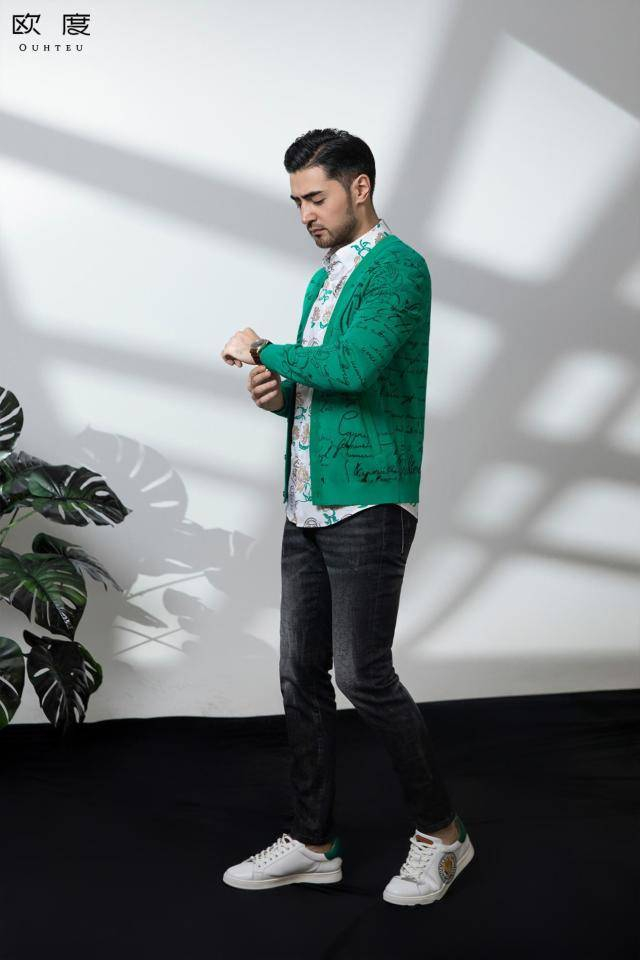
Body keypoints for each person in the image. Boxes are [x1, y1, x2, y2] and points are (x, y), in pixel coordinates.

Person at [219, 128, 475, 906]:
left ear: (359, 187)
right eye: (297, 201)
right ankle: (313, 841)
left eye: (316, 196)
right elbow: (327, 391)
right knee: (300, 674)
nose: (305, 213)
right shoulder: (323, 279)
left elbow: (357, 366)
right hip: (306, 503)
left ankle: (444, 834)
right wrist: (281, 397)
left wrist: (266, 348)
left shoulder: (398, 268)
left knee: (362, 673)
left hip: (369, 502)